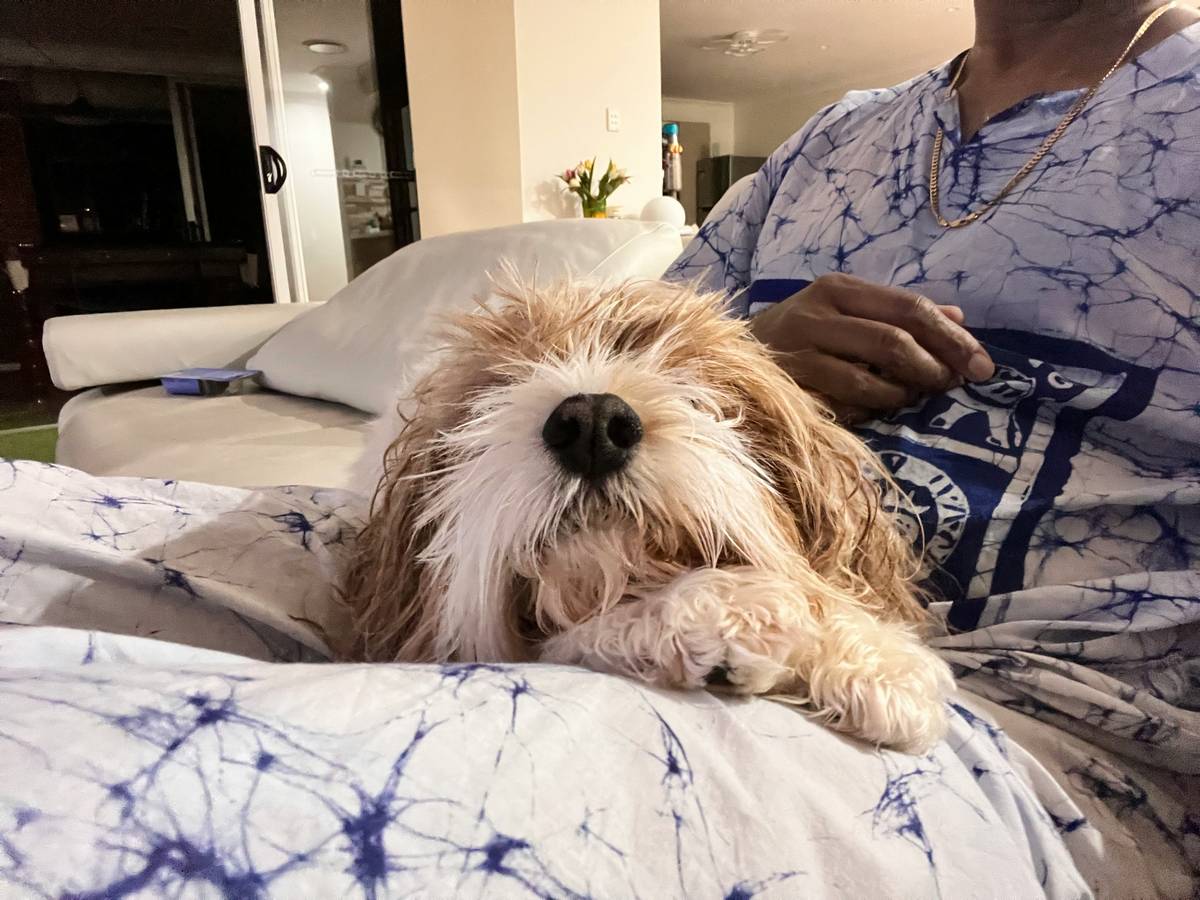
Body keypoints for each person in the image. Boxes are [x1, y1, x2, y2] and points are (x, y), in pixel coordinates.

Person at [666, 1, 1200, 896]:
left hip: (1044, 734)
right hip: (689, 623)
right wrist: (746, 359)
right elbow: (602, 380)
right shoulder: (828, 143)